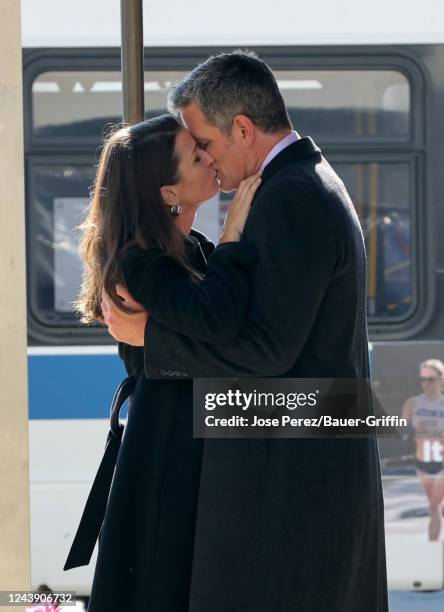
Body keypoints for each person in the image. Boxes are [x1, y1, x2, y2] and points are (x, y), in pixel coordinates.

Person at [102, 51, 389, 611]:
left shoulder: (290, 197)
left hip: (290, 480)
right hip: (299, 463)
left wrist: (149, 339)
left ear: (241, 128)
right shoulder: (301, 184)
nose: (205, 158)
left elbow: (264, 350)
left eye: (204, 143)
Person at [69, 113, 261, 612]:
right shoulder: (142, 260)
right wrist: (236, 232)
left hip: (189, 436)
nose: (210, 157)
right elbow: (216, 321)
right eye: (196, 155)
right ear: (165, 192)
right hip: (169, 448)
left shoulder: (187, 247)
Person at [402, 358, 444, 540]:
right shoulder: (412, 403)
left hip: (442, 462)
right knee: (434, 506)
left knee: (434, 507)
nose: (426, 384)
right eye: (423, 379)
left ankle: (433, 546)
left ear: (441, 379)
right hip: (422, 463)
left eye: (431, 379)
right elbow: (402, 426)